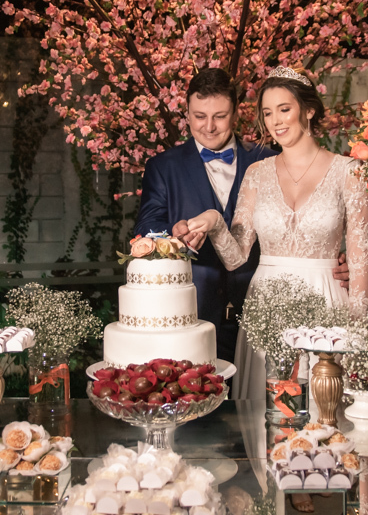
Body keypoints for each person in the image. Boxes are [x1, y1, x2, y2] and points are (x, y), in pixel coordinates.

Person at [134, 67, 349, 363]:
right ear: (186, 112)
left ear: (236, 114)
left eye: (220, 116)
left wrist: (336, 258)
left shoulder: (269, 159)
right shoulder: (163, 166)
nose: (209, 126)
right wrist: (174, 234)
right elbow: (148, 225)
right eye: (199, 116)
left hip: (265, 308)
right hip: (195, 313)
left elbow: (307, 217)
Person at [186, 65, 368, 399]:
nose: (276, 121)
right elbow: (236, 258)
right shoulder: (257, 174)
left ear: (309, 110)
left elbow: (361, 262)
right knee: (267, 417)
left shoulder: (351, 173)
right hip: (265, 306)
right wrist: (216, 221)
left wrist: (358, 334)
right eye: (268, 113)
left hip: (327, 302)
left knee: (324, 413)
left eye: (284, 109)